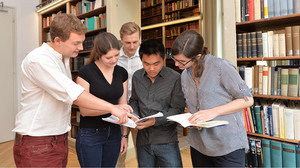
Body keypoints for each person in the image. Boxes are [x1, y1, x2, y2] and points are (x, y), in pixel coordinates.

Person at [12, 14, 137, 167]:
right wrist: (112, 107)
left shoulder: (62, 57)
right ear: (58, 40)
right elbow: (74, 94)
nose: (81, 48)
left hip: (57, 137)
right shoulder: (39, 60)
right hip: (39, 140)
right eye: (76, 43)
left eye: (82, 42)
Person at [171, 29, 254, 167]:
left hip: (227, 145)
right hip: (199, 145)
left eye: (181, 61)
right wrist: (190, 117)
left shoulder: (221, 67)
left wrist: (213, 112)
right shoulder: (185, 75)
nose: (176, 64)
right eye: (175, 59)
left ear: (197, 56)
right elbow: (192, 104)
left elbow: (247, 99)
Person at [75, 32, 130, 167]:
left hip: (114, 133)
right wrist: (114, 108)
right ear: (99, 54)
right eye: (108, 57)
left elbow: (123, 105)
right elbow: (84, 110)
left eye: (117, 55)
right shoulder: (85, 72)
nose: (113, 60)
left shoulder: (121, 72)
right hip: (91, 133)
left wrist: (124, 136)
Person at [129, 39, 185, 167]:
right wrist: (135, 114)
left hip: (166, 140)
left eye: (156, 63)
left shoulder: (175, 78)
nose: (151, 68)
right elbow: (134, 100)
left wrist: (155, 121)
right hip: (143, 140)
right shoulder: (137, 76)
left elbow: (177, 110)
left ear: (164, 58)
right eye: (146, 64)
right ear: (140, 59)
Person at [116, 22, 143, 167]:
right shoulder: (114, 57)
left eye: (135, 42)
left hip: (140, 111)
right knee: (119, 155)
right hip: (118, 111)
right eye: (128, 42)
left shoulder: (145, 57)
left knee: (144, 155)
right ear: (121, 39)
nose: (132, 46)